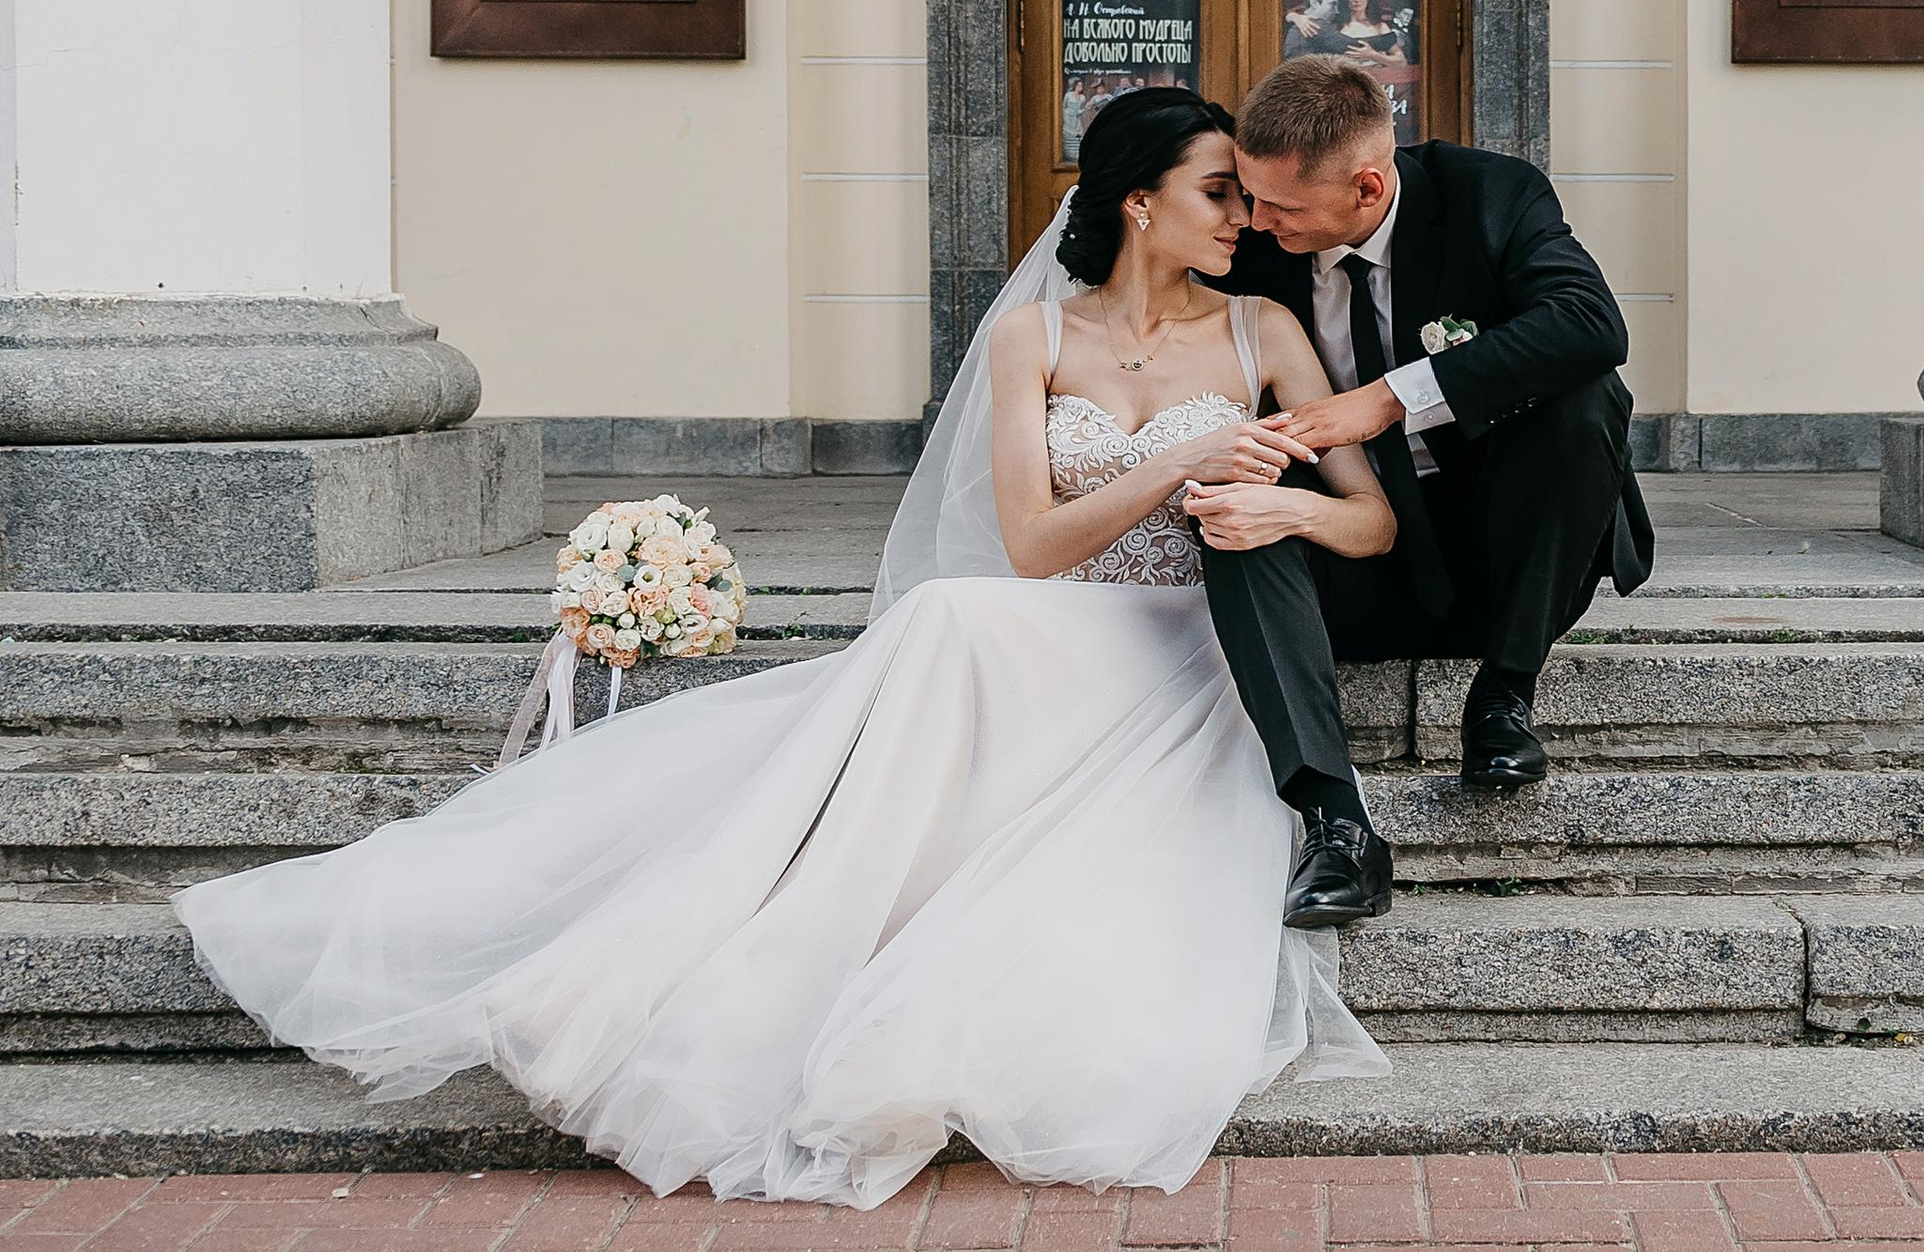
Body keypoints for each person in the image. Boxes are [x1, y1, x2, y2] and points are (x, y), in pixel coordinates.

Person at [171, 93, 1392, 1205]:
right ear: (1140, 200)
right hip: (1047, 616)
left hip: (1192, 637)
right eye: (1219, 190)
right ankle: (801, 915)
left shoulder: (1263, 330)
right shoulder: (1035, 340)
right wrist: (1180, 457)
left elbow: (1372, 518)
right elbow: (1028, 545)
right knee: (947, 614)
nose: (1245, 215)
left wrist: (1284, 506)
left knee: (949, 628)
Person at [1199, 56, 1655, 928]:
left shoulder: (1491, 195)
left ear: (1368, 187)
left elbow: (1594, 325)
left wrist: (1383, 400)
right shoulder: (1252, 247)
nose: (1252, 222)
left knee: (1587, 399)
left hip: (1503, 551)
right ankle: (1336, 821)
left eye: (1280, 206)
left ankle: (1505, 693)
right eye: (1248, 197)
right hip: (1348, 555)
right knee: (1232, 508)